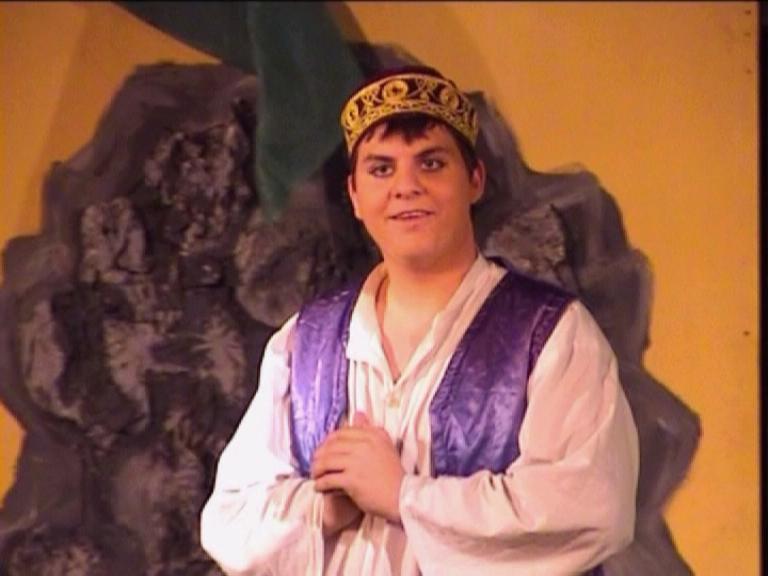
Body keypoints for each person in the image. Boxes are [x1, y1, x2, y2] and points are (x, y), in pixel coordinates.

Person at [200, 66, 639, 576]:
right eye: (381, 169)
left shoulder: (550, 335)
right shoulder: (304, 343)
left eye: (431, 163)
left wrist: (404, 496)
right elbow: (230, 518)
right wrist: (323, 509)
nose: (406, 187)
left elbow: (590, 506)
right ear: (355, 195)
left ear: (474, 180)